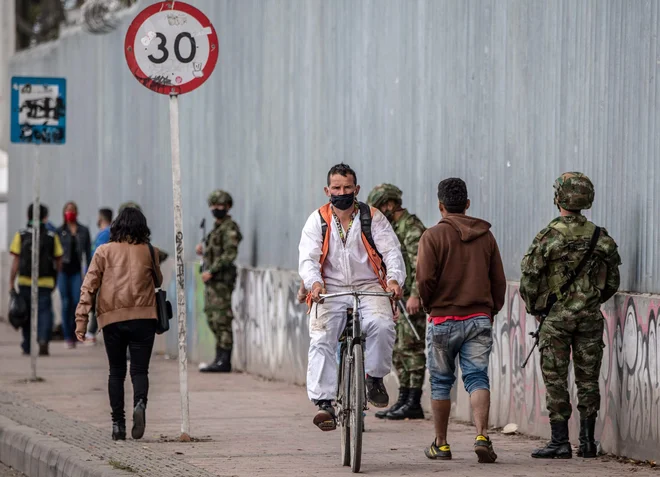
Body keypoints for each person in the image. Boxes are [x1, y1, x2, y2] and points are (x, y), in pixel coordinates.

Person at [520, 172, 621, 459]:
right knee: (588, 380)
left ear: (559, 199)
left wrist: (537, 309)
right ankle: (588, 443)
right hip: (590, 318)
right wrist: (591, 300)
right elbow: (612, 281)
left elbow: (529, 279)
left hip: (556, 321)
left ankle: (560, 442)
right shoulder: (601, 237)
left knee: (556, 379)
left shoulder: (548, 237)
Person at [299, 163, 405, 431]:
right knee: (322, 336)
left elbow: (392, 252)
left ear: (357, 189)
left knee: (382, 325)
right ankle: (324, 403)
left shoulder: (373, 217)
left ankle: (375, 378)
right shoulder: (317, 220)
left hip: (369, 286)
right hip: (330, 288)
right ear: (327, 190)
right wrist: (314, 284)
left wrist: (393, 280)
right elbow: (308, 259)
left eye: (347, 187)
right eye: (336, 188)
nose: (342, 192)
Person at [416, 177, 506, 463]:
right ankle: (481, 436)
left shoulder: (432, 237)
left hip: (443, 319)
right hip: (479, 318)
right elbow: (498, 281)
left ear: (440, 206)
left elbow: (424, 279)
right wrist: (490, 310)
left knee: (442, 383)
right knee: (477, 377)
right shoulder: (486, 236)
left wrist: (431, 306)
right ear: (467, 204)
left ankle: (441, 444)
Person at [74, 207, 162, 441]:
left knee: (116, 371)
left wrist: (81, 321)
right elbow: (158, 280)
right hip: (144, 317)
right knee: (140, 370)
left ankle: (118, 425)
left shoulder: (103, 251)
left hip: (112, 319)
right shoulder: (149, 250)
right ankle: (140, 404)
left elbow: (89, 287)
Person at [367, 183, 427, 420]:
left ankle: (413, 400)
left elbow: (420, 266)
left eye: (380, 207)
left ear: (389, 204)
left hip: (411, 298)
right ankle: (404, 398)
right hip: (397, 298)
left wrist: (416, 295)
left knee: (412, 349)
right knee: (400, 349)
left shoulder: (411, 228)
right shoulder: (393, 228)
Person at [196, 190, 243, 373]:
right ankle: (219, 357)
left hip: (221, 280)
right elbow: (216, 250)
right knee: (212, 316)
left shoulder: (229, 227)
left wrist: (212, 271)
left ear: (228, 206)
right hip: (213, 280)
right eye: (214, 206)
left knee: (222, 318)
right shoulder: (217, 227)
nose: (217, 209)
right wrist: (203, 250)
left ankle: (224, 360)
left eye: (220, 206)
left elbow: (229, 254)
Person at [9, 204, 63, 356]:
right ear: (45, 217)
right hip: (46, 282)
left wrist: (11, 282)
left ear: (28, 216)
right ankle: (44, 340)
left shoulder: (21, 234)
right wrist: (55, 277)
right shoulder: (52, 236)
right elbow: (59, 260)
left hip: (25, 281)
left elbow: (16, 261)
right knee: (44, 313)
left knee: (25, 315)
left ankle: (27, 345)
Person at [57, 201, 92, 349]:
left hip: (77, 272)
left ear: (76, 212)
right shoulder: (60, 231)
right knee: (66, 303)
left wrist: (89, 272)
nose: (69, 212)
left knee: (77, 302)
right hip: (63, 272)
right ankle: (67, 336)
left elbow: (88, 253)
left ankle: (77, 333)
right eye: (67, 210)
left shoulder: (83, 230)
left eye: (72, 210)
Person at [84, 207, 114, 343]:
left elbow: (98, 258)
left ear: (101, 218)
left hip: (101, 275)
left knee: (97, 304)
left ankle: (92, 332)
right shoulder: (105, 233)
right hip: (101, 275)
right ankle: (91, 332)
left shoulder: (104, 234)